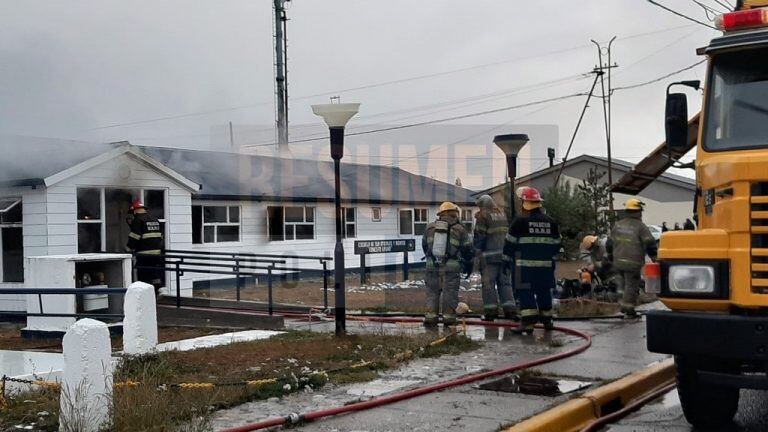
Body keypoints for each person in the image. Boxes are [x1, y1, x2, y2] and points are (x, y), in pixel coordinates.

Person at [503, 187, 561, 334]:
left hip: (524, 268)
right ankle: (547, 320)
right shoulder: (550, 222)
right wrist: (550, 259)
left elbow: (509, 244)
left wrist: (505, 261)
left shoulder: (519, 221)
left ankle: (528, 324)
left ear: (524, 202)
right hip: (546, 268)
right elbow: (557, 244)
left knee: (525, 292)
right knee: (544, 292)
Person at [422, 202, 474, 327]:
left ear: (440, 214)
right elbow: (468, 250)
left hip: (432, 267)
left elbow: (424, 246)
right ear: (454, 213)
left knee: (432, 293)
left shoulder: (429, 228)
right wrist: (468, 265)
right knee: (449, 293)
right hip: (451, 267)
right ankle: (449, 319)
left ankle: (430, 318)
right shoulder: (460, 229)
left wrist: (432, 260)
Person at [607, 198, 658, 318]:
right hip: (633, 262)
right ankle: (628, 310)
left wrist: (610, 257)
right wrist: (654, 257)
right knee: (631, 285)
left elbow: (609, 243)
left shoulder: (617, 225)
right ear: (638, 211)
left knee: (621, 285)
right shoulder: (640, 227)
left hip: (618, 261)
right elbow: (650, 243)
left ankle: (621, 307)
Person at [473, 194, 517, 321]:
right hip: (504, 257)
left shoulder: (483, 217)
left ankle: (491, 313)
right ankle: (510, 312)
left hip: (489, 259)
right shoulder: (502, 216)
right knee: (505, 284)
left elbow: (479, 238)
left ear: (482, 206)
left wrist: (476, 254)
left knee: (488, 285)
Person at [126, 199, 165, 293]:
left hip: (144, 254)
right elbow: (161, 236)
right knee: (154, 272)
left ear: (135, 210)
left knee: (143, 275)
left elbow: (134, 237)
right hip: (156, 254)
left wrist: (128, 248)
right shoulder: (155, 219)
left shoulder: (137, 220)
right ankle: (157, 290)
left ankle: (145, 295)